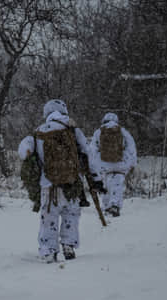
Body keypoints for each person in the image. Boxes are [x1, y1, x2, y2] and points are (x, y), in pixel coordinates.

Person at [18, 99, 103, 263]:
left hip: (48, 185)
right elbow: (88, 153)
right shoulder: (72, 129)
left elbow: (24, 152)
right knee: (71, 215)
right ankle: (68, 246)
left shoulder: (38, 131)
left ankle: (49, 250)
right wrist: (96, 179)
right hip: (72, 183)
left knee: (48, 218)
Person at [89, 113, 137, 217]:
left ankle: (106, 206)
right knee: (117, 184)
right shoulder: (123, 132)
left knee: (106, 185)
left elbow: (92, 150)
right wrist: (130, 162)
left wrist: (96, 164)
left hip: (103, 165)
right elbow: (131, 148)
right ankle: (114, 205)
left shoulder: (99, 132)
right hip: (120, 164)